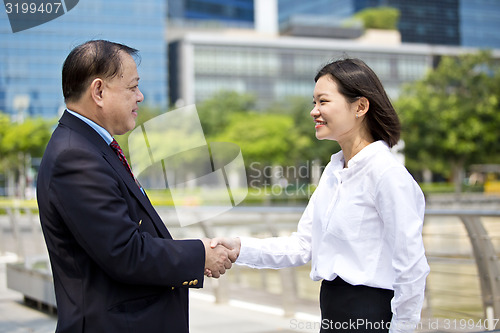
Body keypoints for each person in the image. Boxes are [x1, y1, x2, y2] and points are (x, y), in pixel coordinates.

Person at [210, 58, 430, 333]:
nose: (314, 111)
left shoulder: (387, 175)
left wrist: (402, 330)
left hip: (371, 318)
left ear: (360, 106)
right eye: (314, 102)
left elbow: (412, 267)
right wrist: (239, 248)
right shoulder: (335, 170)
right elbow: (303, 245)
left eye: (323, 101)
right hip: (332, 312)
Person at [37, 40, 235, 333]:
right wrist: (200, 254)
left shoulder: (91, 147)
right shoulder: (75, 156)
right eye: (132, 87)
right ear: (99, 91)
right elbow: (125, 252)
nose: (140, 97)